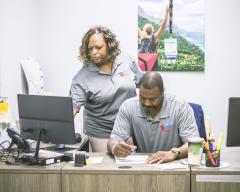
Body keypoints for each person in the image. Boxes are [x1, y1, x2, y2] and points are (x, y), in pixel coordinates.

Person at [70, 26, 141, 152]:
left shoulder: (126, 60)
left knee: (131, 164)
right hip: (101, 131)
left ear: (110, 45)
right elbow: (72, 110)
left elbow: (144, 83)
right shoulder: (82, 78)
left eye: (98, 47)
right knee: (108, 167)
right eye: (90, 49)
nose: (94, 52)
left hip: (128, 126)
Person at [107, 71, 199, 164]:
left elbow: (195, 144)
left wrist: (173, 153)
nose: (147, 103)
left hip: (173, 165)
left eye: (152, 99)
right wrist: (114, 148)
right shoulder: (128, 106)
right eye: (142, 98)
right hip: (145, 164)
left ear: (162, 92)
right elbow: (113, 140)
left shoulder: (180, 107)